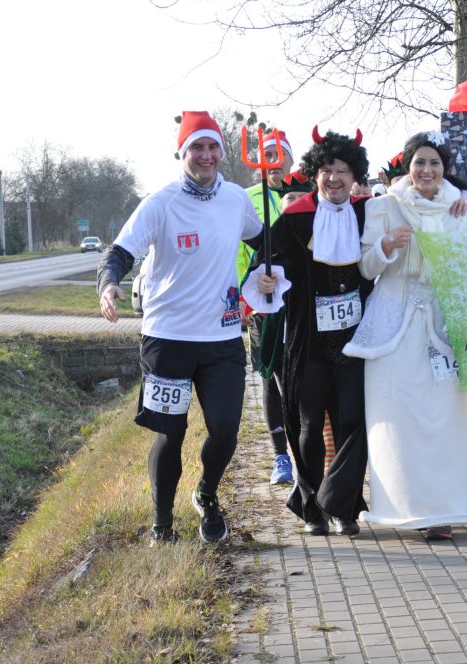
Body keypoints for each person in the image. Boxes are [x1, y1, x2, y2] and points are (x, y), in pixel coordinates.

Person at [342, 131, 467, 541]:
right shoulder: (383, 206)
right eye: (420, 162)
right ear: (408, 166)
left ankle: (444, 508)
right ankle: (408, 505)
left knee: (446, 416)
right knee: (399, 416)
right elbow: (366, 268)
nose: (427, 170)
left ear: (444, 168)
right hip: (394, 326)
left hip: (443, 326)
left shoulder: (459, 208)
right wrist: (386, 245)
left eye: (435, 163)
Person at [98, 111, 265, 545]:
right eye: (197, 148)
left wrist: (260, 280)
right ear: (182, 153)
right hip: (168, 340)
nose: (206, 156)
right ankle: (162, 525)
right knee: (170, 434)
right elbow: (119, 253)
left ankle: (206, 493)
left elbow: (265, 243)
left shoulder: (235, 199)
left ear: (221, 152)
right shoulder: (161, 203)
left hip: (222, 339)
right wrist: (109, 284)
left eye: (212, 147)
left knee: (225, 429)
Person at [255, 127, 372, 537]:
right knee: (307, 426)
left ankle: (342, 504)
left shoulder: (368, 213)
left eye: (342, 170)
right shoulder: (295, 217)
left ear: (354, 175)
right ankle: (311, 507)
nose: (334, 178)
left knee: (353, 421)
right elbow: (267, 263)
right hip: (308, 339)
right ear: (314, 174)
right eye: (326, 170)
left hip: (356, 338)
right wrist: (266, 279)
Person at [241, 129, 296, 486]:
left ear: (291, 159)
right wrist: (243, 296)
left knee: (301, 379)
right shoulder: (247, 199)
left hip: (300, 305)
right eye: (268, 155)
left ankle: (311, 450)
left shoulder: (308, 190)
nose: (274, 162)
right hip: (262, 305)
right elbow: (238, 251)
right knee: (270, 378)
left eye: (280, 155)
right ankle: (280, 456)